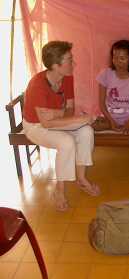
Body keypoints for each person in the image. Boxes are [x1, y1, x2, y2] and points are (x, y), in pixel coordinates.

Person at [23, 40, 100, 211]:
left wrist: (60, 114)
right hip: (35, 126)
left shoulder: (67, 78)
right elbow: (45, 122)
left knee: (87, 131)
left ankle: (81, 179)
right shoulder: (38, 85)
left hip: (52, 121)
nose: (74, 63)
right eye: (69, 60)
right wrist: (74, 118)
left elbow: (70, 109)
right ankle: (59, 190)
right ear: (55, 65)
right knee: (66, 142)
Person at [95, 40, 129, 133]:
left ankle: (121, 127)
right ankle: (111, 125)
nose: (117, 62)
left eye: (122, 58)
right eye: (114, 58)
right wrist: (111, 121)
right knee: (91, 126)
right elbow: (102, 103)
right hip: (110, 117)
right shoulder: (105, 74)